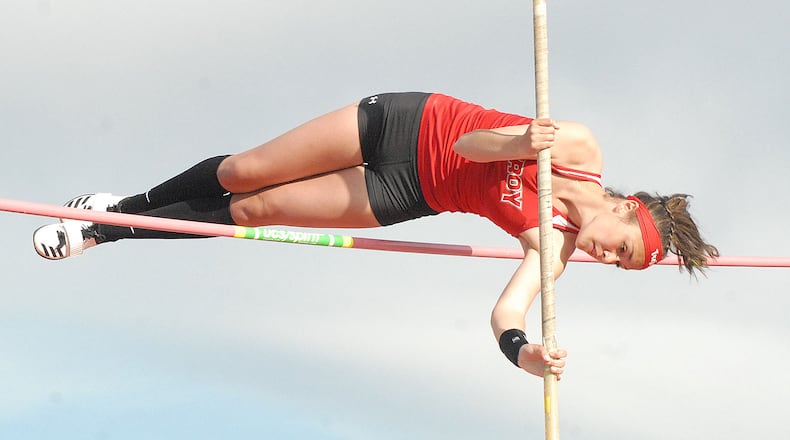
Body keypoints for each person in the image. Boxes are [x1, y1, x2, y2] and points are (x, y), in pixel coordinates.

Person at [32, 92, 719, 378]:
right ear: (629, 208)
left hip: (409, 191)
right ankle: (122, 203)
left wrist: (523, 353)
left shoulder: (555, 248)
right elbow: (479, 146)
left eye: (616, 266)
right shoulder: (576, 147)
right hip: (411, 125)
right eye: (619, 249)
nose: (603, 256)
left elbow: (506, 312)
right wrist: (521, 139)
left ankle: (102, 231)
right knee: (245, 170)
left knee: (254, 212)